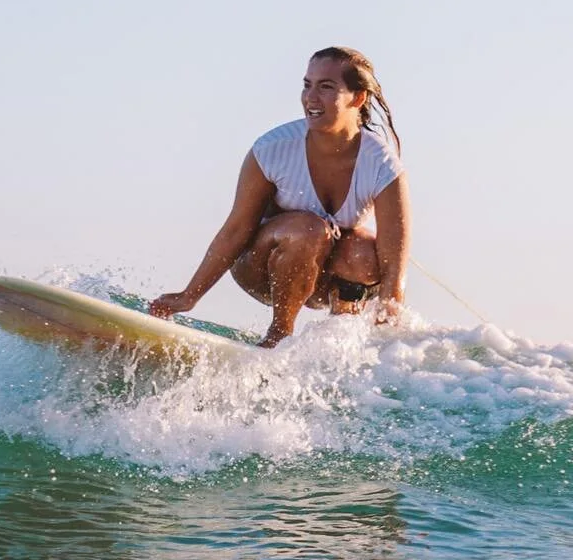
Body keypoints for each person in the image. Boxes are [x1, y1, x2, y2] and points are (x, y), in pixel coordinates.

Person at [150, 46, 410, 347]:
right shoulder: (273, 149)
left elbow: (393, 270)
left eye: (326, 87)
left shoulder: (383, 166)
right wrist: (188, 296)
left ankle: (341, 349)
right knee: (308, 229)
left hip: (326, 281)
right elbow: (236, 230)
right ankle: (278, 336)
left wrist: (391, 344)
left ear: (358, 97)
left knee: (364, 251)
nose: (311, 98)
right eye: (307, 85)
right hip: (262, 269)